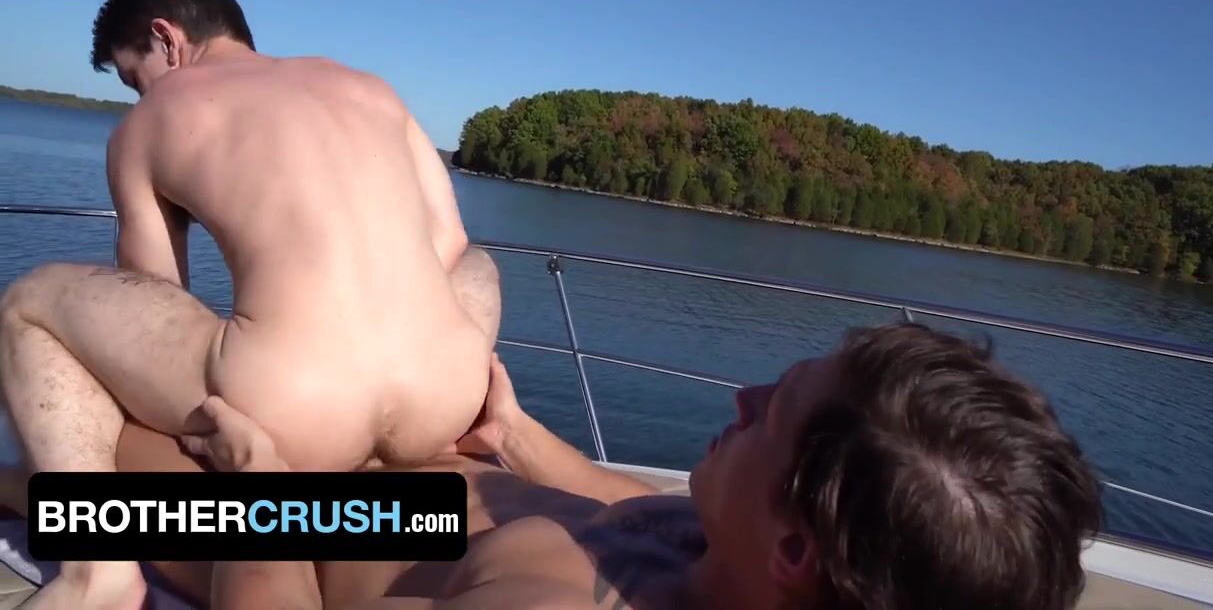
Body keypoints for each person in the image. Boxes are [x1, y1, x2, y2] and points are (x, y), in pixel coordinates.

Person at [0, 0, 499, 609]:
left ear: (167, 39)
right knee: (479, 263)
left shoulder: (152, 121)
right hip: (445, 393)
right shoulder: (371, 91)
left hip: (295, 409)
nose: (140, 97)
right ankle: (440, 436)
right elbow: (450, 244)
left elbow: (154, 291)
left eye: (134, 78)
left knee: (30, 302)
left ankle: (99, 572)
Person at [3, 323, 1104, 609]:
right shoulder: (725, 557)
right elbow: (619, 496)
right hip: (395, 501)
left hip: (295, 529)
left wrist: (264, 493)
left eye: (773, 411)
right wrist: (516, 435)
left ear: (793, 546)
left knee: (77, 456)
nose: (742, 397)